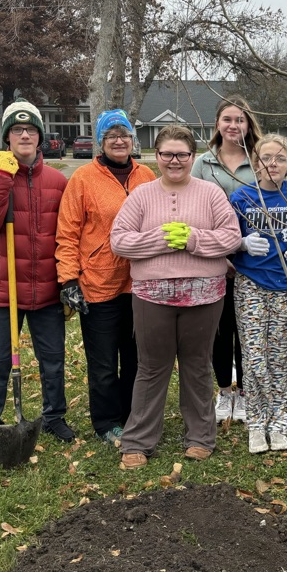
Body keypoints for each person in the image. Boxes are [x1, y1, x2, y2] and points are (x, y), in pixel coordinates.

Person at [110, 125, 242, 468]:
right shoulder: (141, 196)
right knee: (152, 367)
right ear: (156, 157)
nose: (174, 161)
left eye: (182, 154)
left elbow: (230, 238)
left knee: (197, 365)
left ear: (192, 157)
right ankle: (137, 439)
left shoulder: (211, 194)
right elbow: (120, 241)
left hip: (204, 294)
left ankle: (200, 436)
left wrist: (193, 239)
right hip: (151, 295)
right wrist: (161, 239)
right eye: (167, 154)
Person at [0, 100, 72, 458]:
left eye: (31, 130)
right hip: (2, 291)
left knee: (53, 360)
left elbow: (68, 235)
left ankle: (54, 416)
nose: (24, 135)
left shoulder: (57, 181)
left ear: (40, 136)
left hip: (47, 291)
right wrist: (1, 176)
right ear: (6, 137)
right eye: (16, 130)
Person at [55, 109, 156, 446]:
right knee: (102, 362)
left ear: (132, 139)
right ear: (101, 140)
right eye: (111, 134)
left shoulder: (148, 177)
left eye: (124, 133)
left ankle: (132, 416)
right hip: (98, 285)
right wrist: (69, 280)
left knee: (135, 357)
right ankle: (106, 421)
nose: (118, 139)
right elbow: (67, 233)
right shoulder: (84, 179)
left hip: (140, 283)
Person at [230, 135, 287, 454]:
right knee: (254, 355)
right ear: (255, 162)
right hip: (250, 284)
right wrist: (242, 244)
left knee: (284, 356)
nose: (272, 164)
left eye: (279, 158)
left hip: (286, 285)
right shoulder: (242, 197)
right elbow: (227, 238)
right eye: (266, 157)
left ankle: (281, 423)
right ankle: (256, 422)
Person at [192, 96, 264, 423]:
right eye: (227, 119)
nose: (234, 125)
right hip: (213, 261)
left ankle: (248, 395)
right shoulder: (203, 164)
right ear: (217, 124)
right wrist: (221, 253)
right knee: (219, 332)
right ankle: (224, 392)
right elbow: (194, 210)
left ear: (248, 125)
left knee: (248, 331)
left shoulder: (260, 159)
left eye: (240, 120)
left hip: (254, 263)